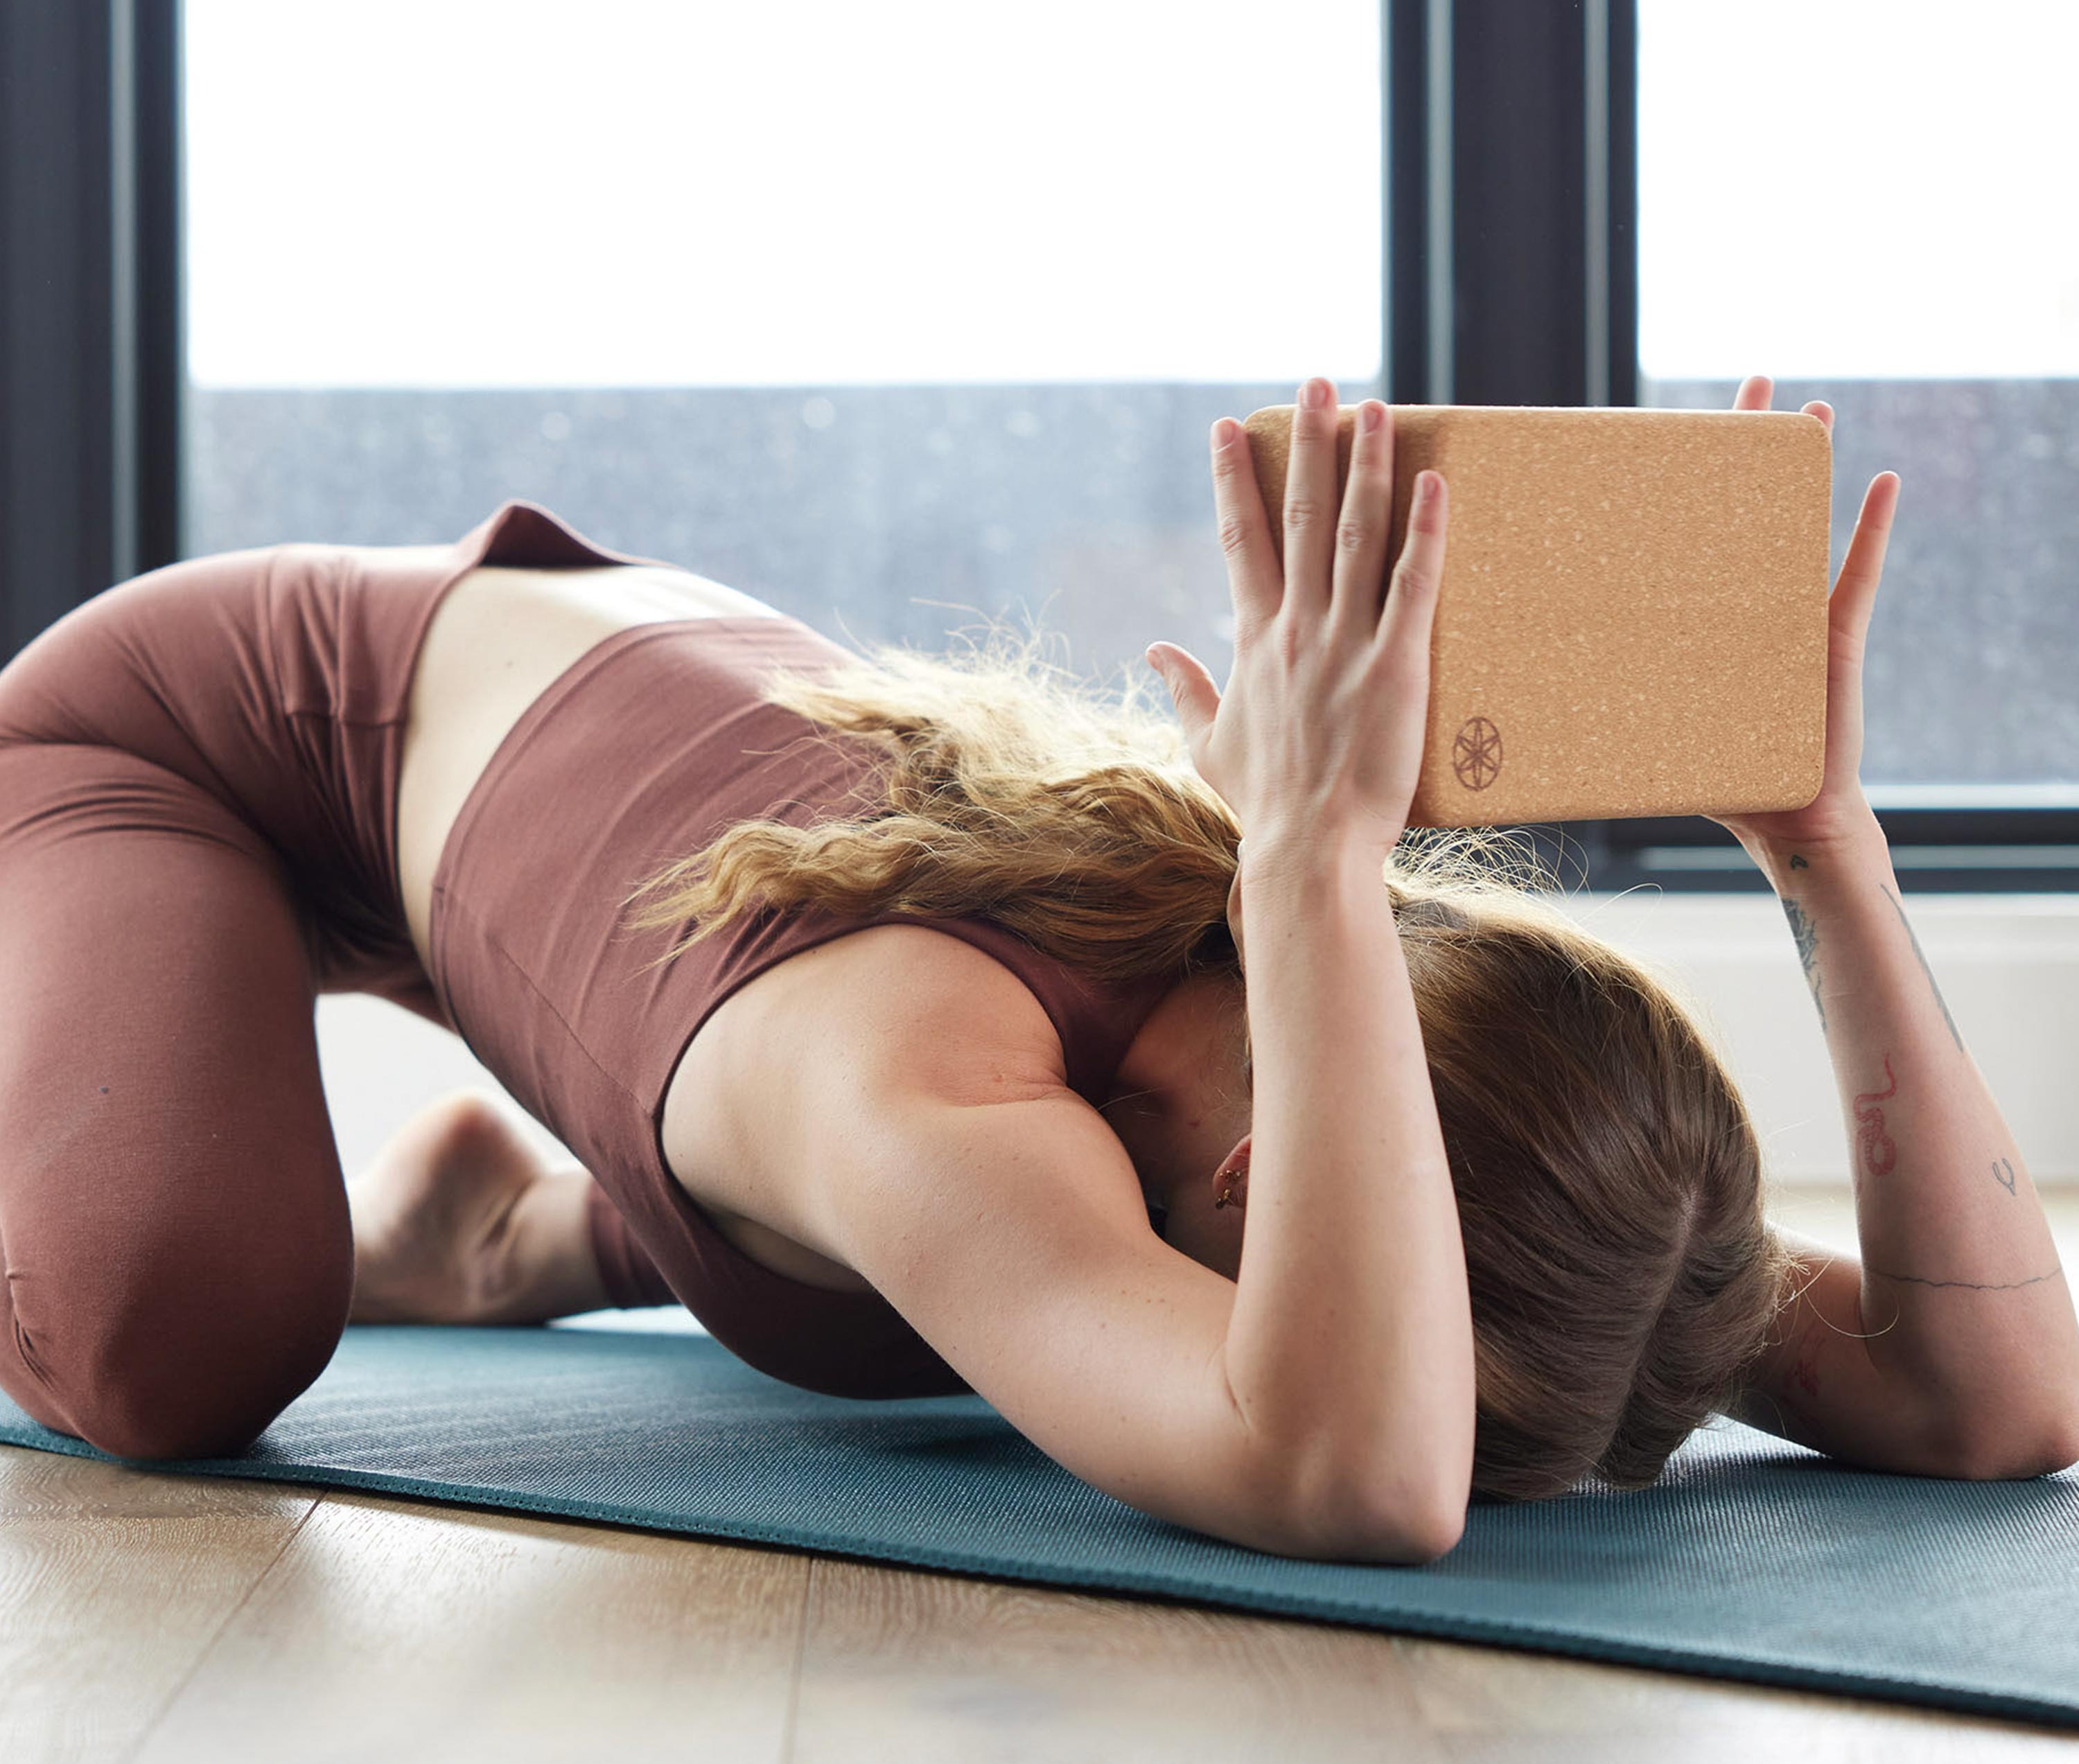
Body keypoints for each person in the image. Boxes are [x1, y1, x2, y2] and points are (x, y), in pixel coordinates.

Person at [1, 376, 2073, 1564]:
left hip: (574, 829)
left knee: (990, 1287)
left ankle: (522, 1229)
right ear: (1273, 1203)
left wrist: (1831, 857)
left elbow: (2000, 1404)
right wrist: (1322, 858)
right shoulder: (928, 1070)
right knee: (185, 1348)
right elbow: (1351, 1470)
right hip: (191, 751)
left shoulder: (1266, 1024)